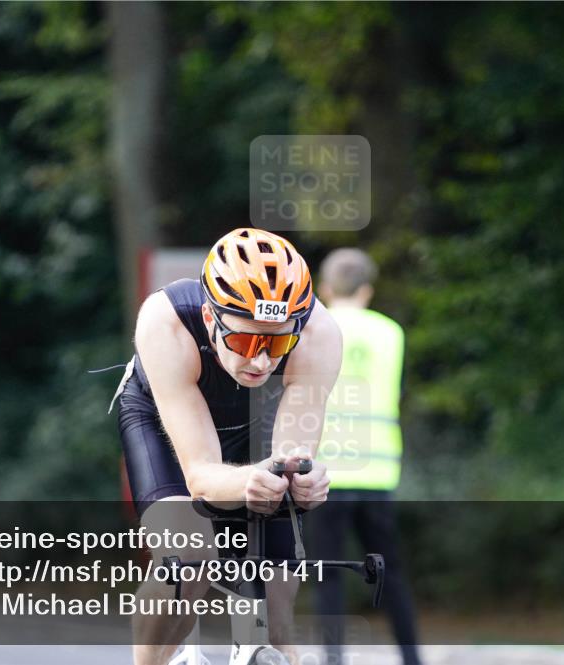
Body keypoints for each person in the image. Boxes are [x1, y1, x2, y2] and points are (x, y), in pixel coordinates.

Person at [114, 228, 342, 665]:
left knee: (278, 600)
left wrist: (304, 480)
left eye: (277, 342)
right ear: (208, 317)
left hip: (257, 419)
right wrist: (247, 481)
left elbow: (292, 454)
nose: (260, 360)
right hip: (163, 422)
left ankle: (261, 648)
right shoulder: (166, 321)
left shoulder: (319, 333)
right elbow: (200, 475)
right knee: (187, 559)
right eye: (243, 340)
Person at [311, 248, 423, 665]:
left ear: (324, 288)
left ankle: (333, 659)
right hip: (377, 471)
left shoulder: (311, 328)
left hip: (324, 472)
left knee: (328, 577)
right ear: (367, 290)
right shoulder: (390, 333)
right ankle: (412, 658)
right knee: (390, 573)